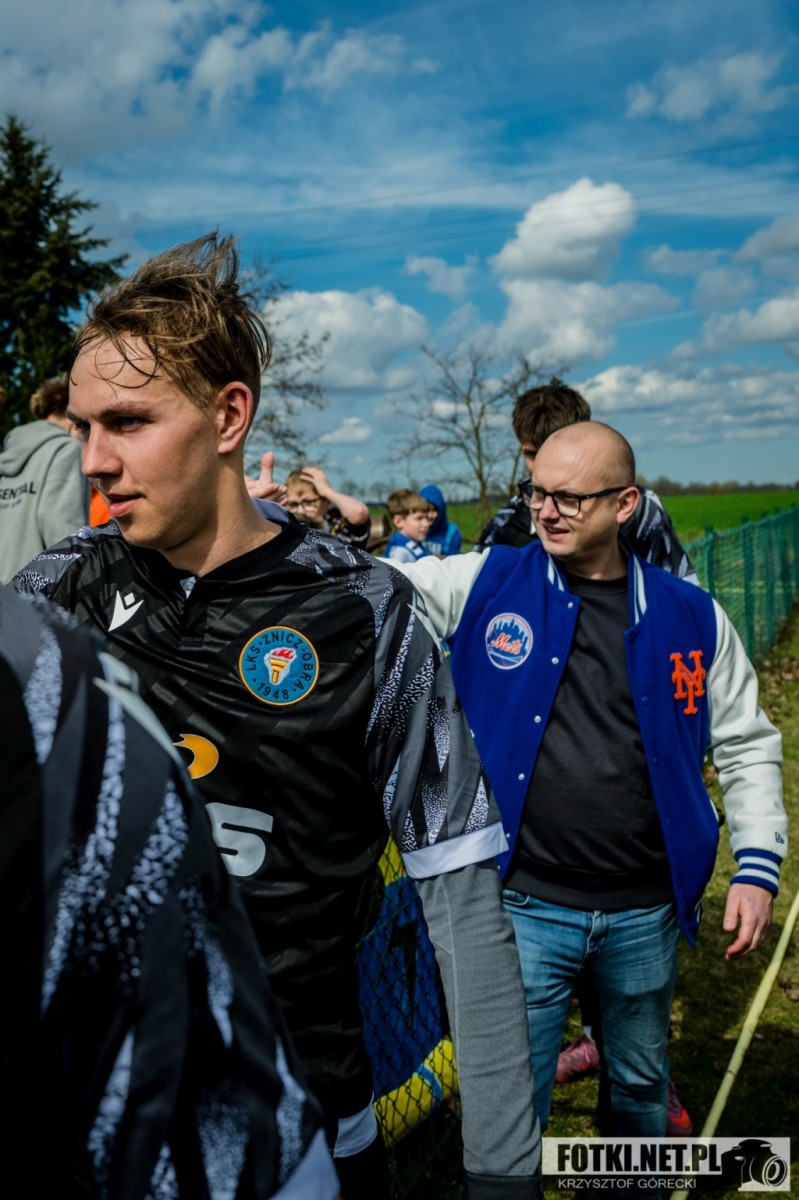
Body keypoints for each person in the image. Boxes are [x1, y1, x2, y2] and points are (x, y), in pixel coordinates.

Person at [14, 233, 540, 1200]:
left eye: (127, 422)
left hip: (307, 1133)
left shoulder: (365, 613)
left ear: (228, 415)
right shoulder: (52, 594)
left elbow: (460, 894)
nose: (94, 460)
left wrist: (503, 1170)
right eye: (83, 428)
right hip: (95, 1129)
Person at [395, 420, 786, 1142]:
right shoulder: (486, 581)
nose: (546, 511)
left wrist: (757, 866)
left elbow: (747, 743)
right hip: (522, 904)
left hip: (646, 909)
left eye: (570, 498)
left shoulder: (691, 615)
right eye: (537, 492)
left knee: (639, 1085)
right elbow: (377, 590)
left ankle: (631, 1187)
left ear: (625, 504)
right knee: (514, 1098)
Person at [0, 584, 339, 1199]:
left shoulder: (46, 670)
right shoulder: (60, 583)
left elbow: (455, 859)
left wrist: (499, 1172)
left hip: (298, 1065)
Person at [475, 376, 696, 1133]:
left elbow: (684, 622)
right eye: (533, 476)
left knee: (636, 1038)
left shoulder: (649, 526)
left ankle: (636, 1081)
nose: (546, 505)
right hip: (534, 863)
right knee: (522, 1056)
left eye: (566, 487)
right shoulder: (510, 528)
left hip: (637, 857)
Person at [477, 377, 696, 583]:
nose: (543, 466)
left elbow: (679, 587)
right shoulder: (508, 521)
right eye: (532, 454)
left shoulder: (641, 511)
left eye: (559, 455)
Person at [0, 376, 89, 583]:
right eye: (85, 427)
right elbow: (64, 538)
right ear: (73, 420)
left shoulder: (6, 457)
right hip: (37, 595)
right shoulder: (65, 450)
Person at [285, 464, 371, 549]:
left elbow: (359, 512)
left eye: (308, 502)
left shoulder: (337, 523)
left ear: (326, 500)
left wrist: (327, 491)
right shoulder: (286, 527)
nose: (300, 510)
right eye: (293, 504)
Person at [383, 488, 435, 563]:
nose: (426, 524)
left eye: (426, 518)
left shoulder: (414, 541)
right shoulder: (399, 552)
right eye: (419, 518)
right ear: (398, 521)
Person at [419, 484, 463, 557]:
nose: (430, 515)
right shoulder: (412, 530)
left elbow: (454, 561)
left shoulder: (451, 534)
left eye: (434, 510)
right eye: (426, 510)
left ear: (442, 510)